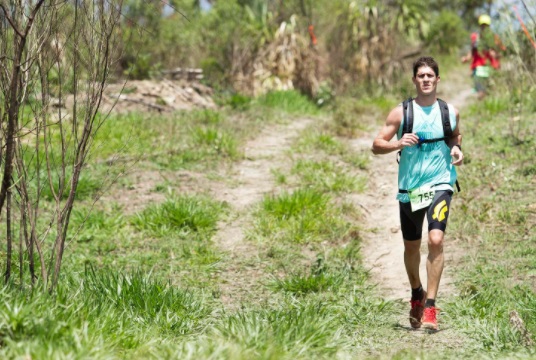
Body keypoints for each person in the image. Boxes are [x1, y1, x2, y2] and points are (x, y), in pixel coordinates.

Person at [371, 56, 463, 330]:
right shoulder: (402, 113)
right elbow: (377, 144)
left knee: (435, 240)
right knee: (411, 246)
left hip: (441, 182)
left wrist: (457, 149)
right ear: (414, 80)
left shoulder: (449, 112)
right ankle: (416, 294)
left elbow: (455, 136)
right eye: (420, 75)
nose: (425, 79)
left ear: (437, 79)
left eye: (430, 76)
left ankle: (431, 308)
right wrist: (398, 143)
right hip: (410, 188)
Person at [461, 14, 506, 100]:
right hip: (479, 70)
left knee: (491, 92)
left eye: (486, 25)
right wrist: (466, 58)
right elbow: (472, 51)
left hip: (492, 69)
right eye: (482, 25)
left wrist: (495, 55)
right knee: (481, 92)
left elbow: (503, 52)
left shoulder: (495, 38)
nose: (484, 27)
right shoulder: (475, 38)